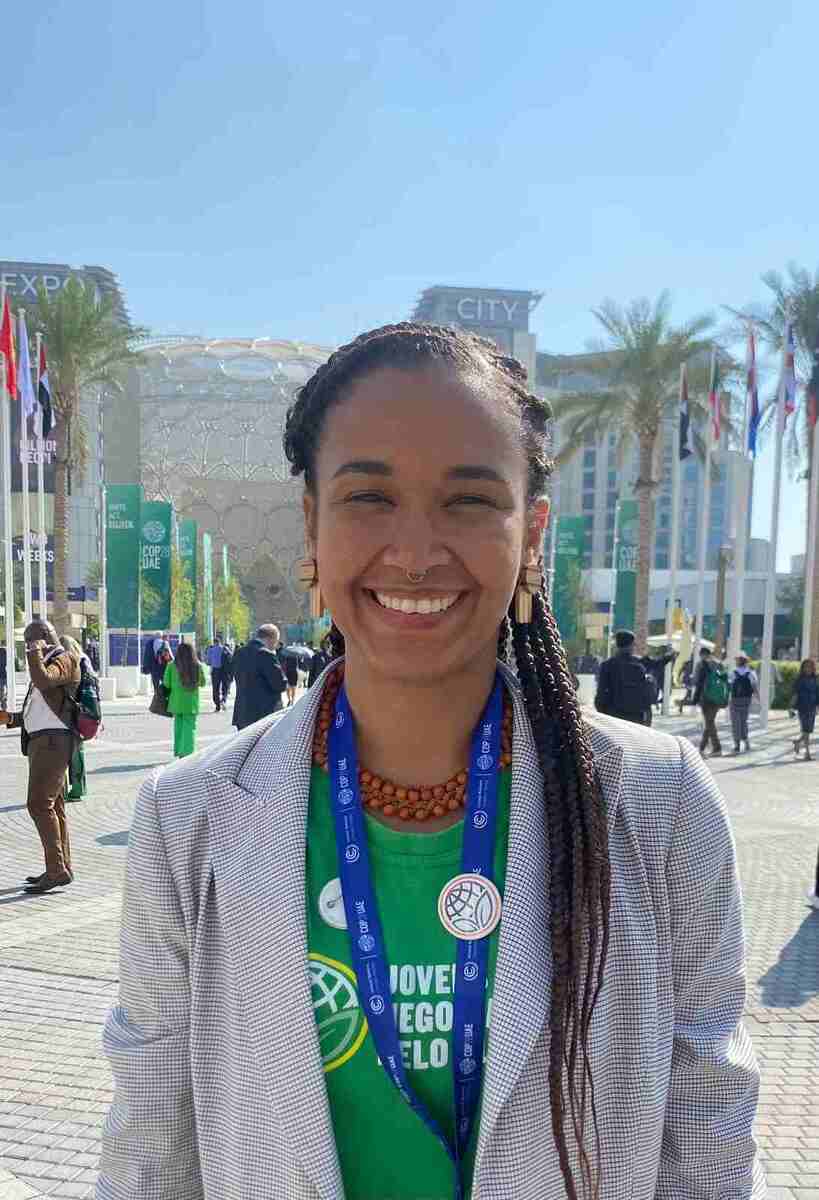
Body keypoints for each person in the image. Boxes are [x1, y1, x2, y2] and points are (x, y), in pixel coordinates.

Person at [100, 323, 762, 1200]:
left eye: (468, 501)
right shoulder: (190, 816)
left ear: (531, 532)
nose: (414, 552)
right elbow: (151, 1150)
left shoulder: (654, 801)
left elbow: (708, 1133)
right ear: (312, 523)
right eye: (368, 497)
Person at [0, 620, 80, 894]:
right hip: (42, 742)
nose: (27, 648)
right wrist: (11, 719)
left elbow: (44, 681)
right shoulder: (46, 663)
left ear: (44, 638)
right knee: (54, 806)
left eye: (30, 641)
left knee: (38, 804)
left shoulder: (64, 660)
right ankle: (60, 867)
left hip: (53, 743)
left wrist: (35, 652)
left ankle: (57, 870)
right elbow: (42, 709)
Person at [230, 623, 288, 730]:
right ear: (271, 638)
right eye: (276, 641)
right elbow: (279, 684)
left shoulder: (239, 652)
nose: (275, 645)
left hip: (242, 713)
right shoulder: (266, 654)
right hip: (263, 714)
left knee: (245, 747)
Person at [594, 629, 656, 725]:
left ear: (617, 645)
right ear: (631, 645)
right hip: (636, 718)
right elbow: (647, 696)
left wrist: (603, 715)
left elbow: (600, 694)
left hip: (613, 717)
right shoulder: (639, 666)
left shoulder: (607, 665)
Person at [60, 636, 91, 800]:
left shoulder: (70, 663)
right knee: (77, 750)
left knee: (66, 752)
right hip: (83, 712)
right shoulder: (84, 660)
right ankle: (79, 788)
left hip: (69, 711)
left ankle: (67, 789)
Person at [163, 641, 206, 758]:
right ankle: (188, 752)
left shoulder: (171, 665)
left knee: (178, 728)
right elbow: (203, 683)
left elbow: (166, 684)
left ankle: (178, 751)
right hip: (191, 703)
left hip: (176, 703)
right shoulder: (197, 666)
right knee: (189, 728)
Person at [692, 646, 727, 757]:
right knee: (709, 722)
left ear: (702, 654)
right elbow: (725, 680)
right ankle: (702, 748)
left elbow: (696, 682)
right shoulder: (719, 663)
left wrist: (695, 699)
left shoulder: (701, 664)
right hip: (717, 698)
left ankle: (717, 748)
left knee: (709, 723)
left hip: (705, 698)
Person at [728, 653, 759, 755]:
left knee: (735, 722)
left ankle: (737, 745)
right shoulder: (751, 673)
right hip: (746, 700)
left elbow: (729, 686)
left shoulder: (733, 673)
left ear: (739, 661)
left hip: (735, 700)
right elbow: (754, 687)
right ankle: (746, 742)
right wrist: (758, 699)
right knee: (743, 721)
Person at [639, 646, 676, 724]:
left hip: (643, 699)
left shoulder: (648, 662)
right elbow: (662, 661)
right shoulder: (646, 662)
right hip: (643, 700)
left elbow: (662, 661)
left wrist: (670, 654)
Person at [791, 658, 819, 761]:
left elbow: (818, 693)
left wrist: (817, 706)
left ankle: (797, 742)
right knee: (806, 731)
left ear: (813, 668)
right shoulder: (799, 679)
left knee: (807, 731)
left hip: (812, 707)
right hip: (802, 708)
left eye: (810, 666)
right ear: (802, 668)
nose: (808, 668)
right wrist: (791, 708)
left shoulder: (816, 678)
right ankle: (807, 754)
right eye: (806, 666)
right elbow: (795, 694)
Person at [205, 633, 229, 711]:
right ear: (220, 642)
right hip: (224, 670)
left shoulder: (210, 649)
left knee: (215, 688)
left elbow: (208, 662)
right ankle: (224, 700)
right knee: (225, 687)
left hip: (215, 671)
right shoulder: (225, 648)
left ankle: (217, 705)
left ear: (214, 642)